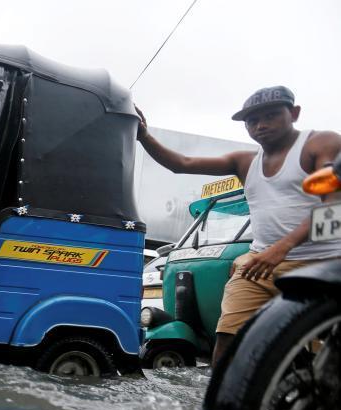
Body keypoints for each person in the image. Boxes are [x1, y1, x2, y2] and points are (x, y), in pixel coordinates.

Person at [137, 86, 341, 366]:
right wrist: (144, 136)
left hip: (322, 261)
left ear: (294, 113)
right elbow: (181, 163)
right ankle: (220, 405)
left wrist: (281, 249)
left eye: (271, 115)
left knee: (326, 343)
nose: (261, 125)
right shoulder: (244, 162)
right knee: (227, 335)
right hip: (261, 265)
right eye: (253, 121)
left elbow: (331, 205)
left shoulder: (319, 144)